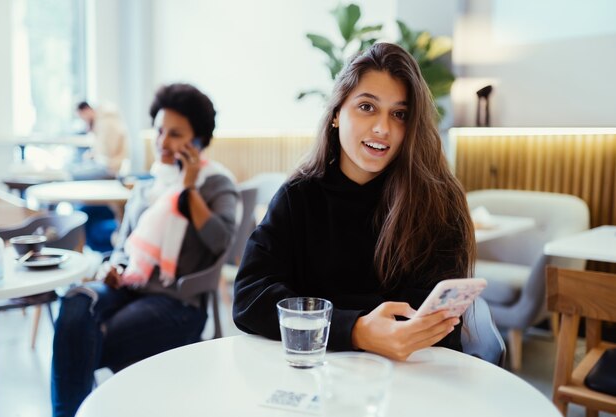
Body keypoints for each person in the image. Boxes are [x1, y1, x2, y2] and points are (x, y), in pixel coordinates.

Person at [233, 43, 476, 361]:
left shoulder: (438, 205)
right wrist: (355, 329)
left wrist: (338, 327)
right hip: (320, 375)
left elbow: (435, 326)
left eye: (399, 114)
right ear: (336, 114)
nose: (382, 128)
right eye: (367, 107)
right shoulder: (299, 198)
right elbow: (250, 298)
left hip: (415, 375)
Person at [51, 83, 239, 417]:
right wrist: (114, 267)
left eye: (176, 134)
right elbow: (123, 248)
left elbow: (221, 243)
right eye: (159, 131)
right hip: (128, 288)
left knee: (86, 340)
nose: (163, 143)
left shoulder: (216, 183)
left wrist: (189, 189)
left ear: (198, 139)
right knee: (75, 301)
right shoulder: (148, 185)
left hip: (177, 302)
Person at [74, 101, 128, 179]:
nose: (83, 120)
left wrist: (94, 155)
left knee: (74, 175)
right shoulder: (100, 121)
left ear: (86, 110)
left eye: (82, 116)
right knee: (77, 169)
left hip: (110, 168)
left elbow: (109, 151)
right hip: (107, 165)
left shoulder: (106, 122)